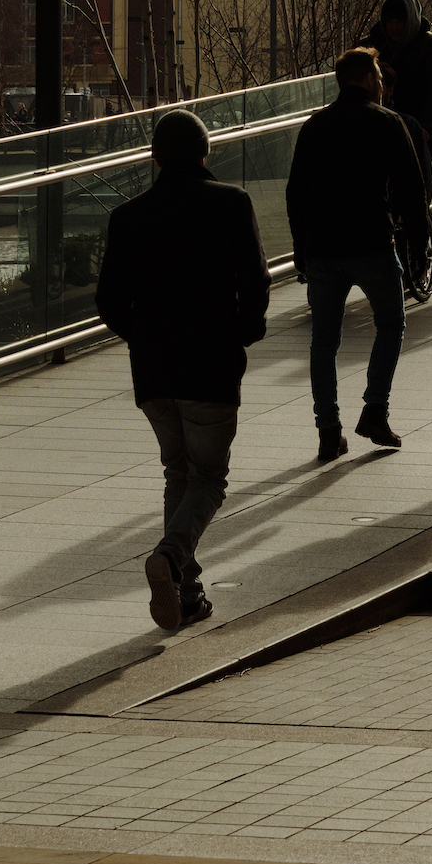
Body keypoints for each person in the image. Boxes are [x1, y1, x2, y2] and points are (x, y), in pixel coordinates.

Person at [95, 109, 270, 634]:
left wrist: (145, 337)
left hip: (154, 373)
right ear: (205, 153)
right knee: (210, 477)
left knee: (179, 472)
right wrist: (242, 331)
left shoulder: (128, 217)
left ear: (154, 157)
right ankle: (170, 557)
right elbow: (256, 282)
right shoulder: (232, 204)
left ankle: (187, 594)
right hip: (210, 367)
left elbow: (109, 302)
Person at [285, 46, 428, 462]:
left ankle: (328, 429)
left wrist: (300, 249)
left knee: (323, 341)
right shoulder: (388, 123)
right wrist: (418, 248)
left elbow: (296, 194)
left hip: (323, 252)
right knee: (391, 323)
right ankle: (374, 410)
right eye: (380, 78)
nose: (383, 85)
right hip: (371, 244)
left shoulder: (315, 126)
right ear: (367, 79)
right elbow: (411, 190)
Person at [360, 0, 432, 282]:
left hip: (418, 130)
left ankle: (418, 249)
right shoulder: (371, 47)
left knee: (416, 190)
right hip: (378, 129)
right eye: (389, 21)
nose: (394, 27)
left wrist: (426, 127)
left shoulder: (430, 46)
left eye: (400, 21)